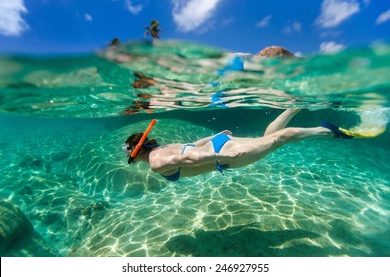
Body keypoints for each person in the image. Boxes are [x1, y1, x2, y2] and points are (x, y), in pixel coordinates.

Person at [122, 109, 378, 181]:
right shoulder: (156, 162)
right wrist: (221, 157)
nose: (154, 143)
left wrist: (215, 135)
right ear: (140, 150)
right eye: (149, 142)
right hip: (225, 154)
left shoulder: (158, 153)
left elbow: (190, 147)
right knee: (280, 137)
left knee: (271, 138)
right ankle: (338, 132)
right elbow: (188, 160)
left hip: (221, 146)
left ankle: (298, 105)